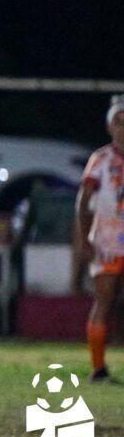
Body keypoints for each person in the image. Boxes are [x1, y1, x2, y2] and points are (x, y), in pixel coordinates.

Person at [72, 94, 124, 382]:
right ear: (109, 127)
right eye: (118, 122)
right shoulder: (100, 160)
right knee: (104, 300)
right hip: (106, 240)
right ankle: (98, 367)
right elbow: (82, 201)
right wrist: (84, 238)